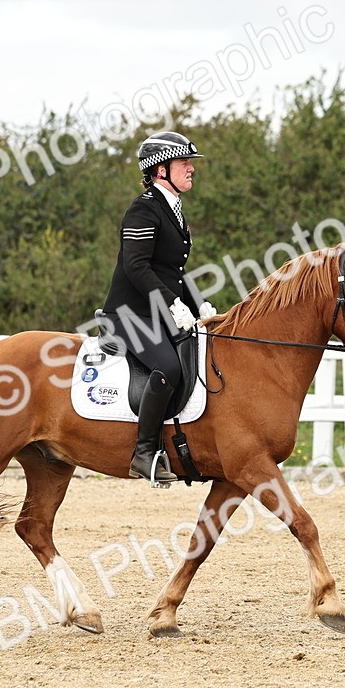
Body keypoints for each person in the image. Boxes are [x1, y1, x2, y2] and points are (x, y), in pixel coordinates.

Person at [102, 131, 216, 484]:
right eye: (184, 163)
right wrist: (171, 303)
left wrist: (200, 304)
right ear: (160, 169)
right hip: (128, 315)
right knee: (168, 366)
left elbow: (173, 272)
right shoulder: (143, 208)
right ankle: (144, 453)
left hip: (157, 314)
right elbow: (136, 266)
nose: (191, 169)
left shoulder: (174, 211)